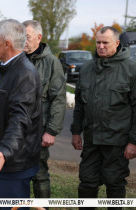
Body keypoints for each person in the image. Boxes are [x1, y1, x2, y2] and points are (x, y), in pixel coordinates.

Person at [0, 19, 42, 206]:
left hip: (12, 167)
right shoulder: (3, 69)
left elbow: (20, 120)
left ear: (7, 43)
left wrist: (4, 150)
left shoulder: (24, 73)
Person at [71, 26, 136, 209]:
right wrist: (76, 132)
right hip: (92, 140)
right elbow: (79, 105)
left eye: (105, 43)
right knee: (87, 183)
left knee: (114, 183)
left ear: (117, 43)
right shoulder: (87, 69)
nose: (100, 46)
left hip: (117, 141)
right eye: (98, 42)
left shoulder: (131, 69)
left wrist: (134, 141)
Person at [23, 20, 66, 201]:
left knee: (39, 174)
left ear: (38, 38)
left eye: (26, 37)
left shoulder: (51, 63)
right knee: (17, 174)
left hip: (38, 130)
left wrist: (51, 131)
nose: (22, 41)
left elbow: (58, 99)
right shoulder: (15, 60)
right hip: (15, 129)